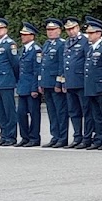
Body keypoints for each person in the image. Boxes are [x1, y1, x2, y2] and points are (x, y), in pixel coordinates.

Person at [0, 17, 20, 146]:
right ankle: (4, 135)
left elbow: (15, 64)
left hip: (6, 82)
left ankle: (11, 137)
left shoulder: (9, 44)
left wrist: (14, 80)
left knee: (9, 111)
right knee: (0, 111)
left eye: (0, 28)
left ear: (6, 29)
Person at [39, 18, 67, 148]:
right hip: (46, 82)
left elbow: (62, 66)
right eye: (48, 30)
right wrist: (41, 82)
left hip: (55, 82)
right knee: (51, 111)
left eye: (53, 30)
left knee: (60, 111)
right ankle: (55, 136)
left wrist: (59, 83)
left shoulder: (62, 44)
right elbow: (43, 65)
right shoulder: (46, 44)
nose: (50, 32)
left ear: (59, 31)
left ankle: (63, 137)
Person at [61, 17, 89, 148]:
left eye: (72, 28)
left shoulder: (85, 41)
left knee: (86, 111)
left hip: (81, 81)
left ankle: (87, 137)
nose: (70, 31)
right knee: (73, 111)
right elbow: (64, 64)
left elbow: (87, 62)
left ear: (78, 28)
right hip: (70, 82)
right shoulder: (67, 42)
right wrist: (62, 82)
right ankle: (77, 136)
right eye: (68, 29)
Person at [82, 17, 102, 149]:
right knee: (96, 115)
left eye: (92, 33)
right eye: (88, 33)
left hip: (100, 86)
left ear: (99, 33)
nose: (89, 35)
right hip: (91, 87)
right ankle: (98, 138)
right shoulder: (91, 48)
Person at [16, 22, 42, 147]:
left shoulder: (36, 50)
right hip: (22, 87)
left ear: (32, 36)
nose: (23, 37)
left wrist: (35, 88)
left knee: (34, 114)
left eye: (25, 35)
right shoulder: (22, 50)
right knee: (21, 113)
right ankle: (25, 137)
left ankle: (34, 138)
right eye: (22, 35)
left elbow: (37, 71)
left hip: (31, 87)